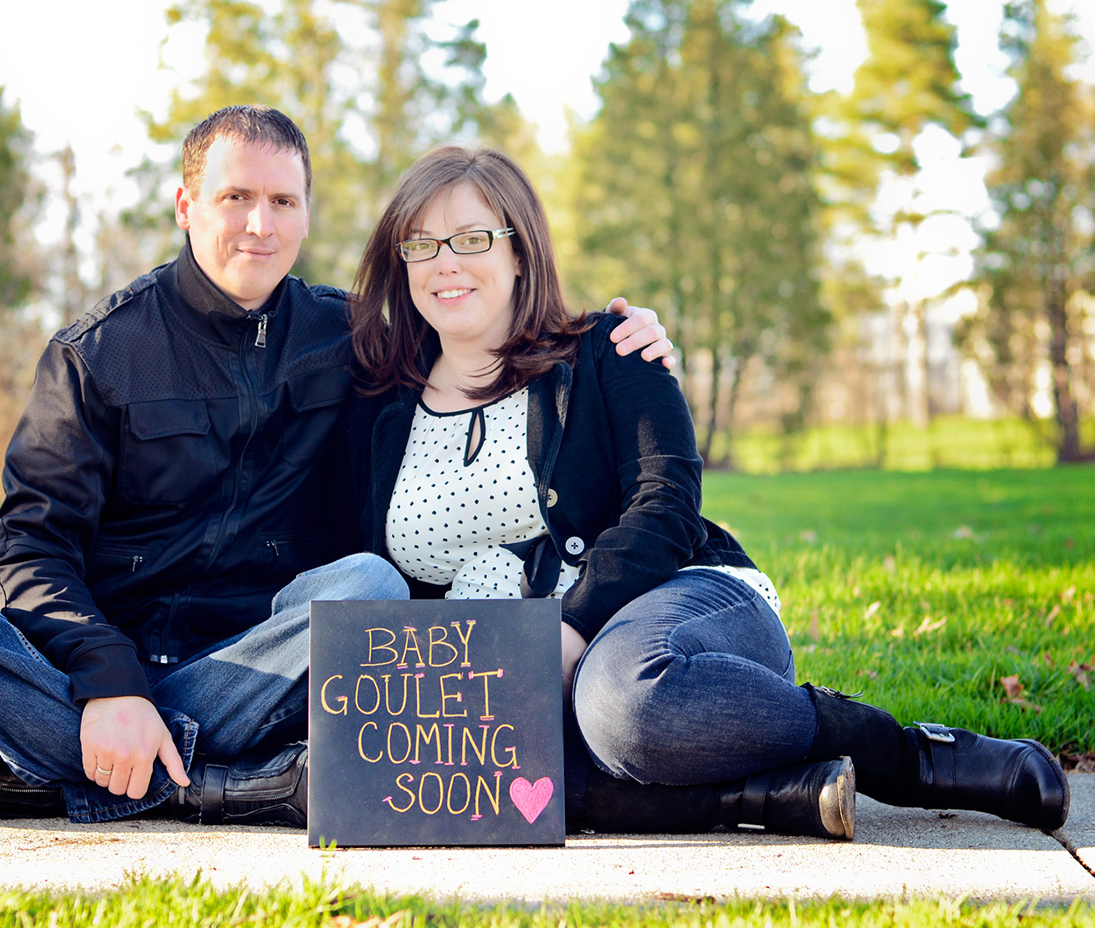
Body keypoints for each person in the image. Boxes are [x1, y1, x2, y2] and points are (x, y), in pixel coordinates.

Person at [0, 105, 673, 827]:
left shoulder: (351, 339)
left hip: (261, 662)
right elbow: (31, 552)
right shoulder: (98, 355)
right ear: (186, 206)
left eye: (283, 201)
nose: (260, 224)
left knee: (369, 587)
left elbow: (481, 321)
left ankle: (59, 767)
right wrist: (112, 685)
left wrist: (620, 338)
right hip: (104, 661)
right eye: (235, 198)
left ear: (307, 215)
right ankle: (227, 780)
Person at [345, 145, 1070, 840]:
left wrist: (568, 629)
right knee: (470, 767)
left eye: (472, 238)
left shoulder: (608, 349)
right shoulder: (379, 406)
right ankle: (776, 796)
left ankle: (903, 754)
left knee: (621, 704)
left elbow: (665, 505)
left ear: (520, 251)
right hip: (503, 664)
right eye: (421, 244)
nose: (445, 263)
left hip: (674, 605)